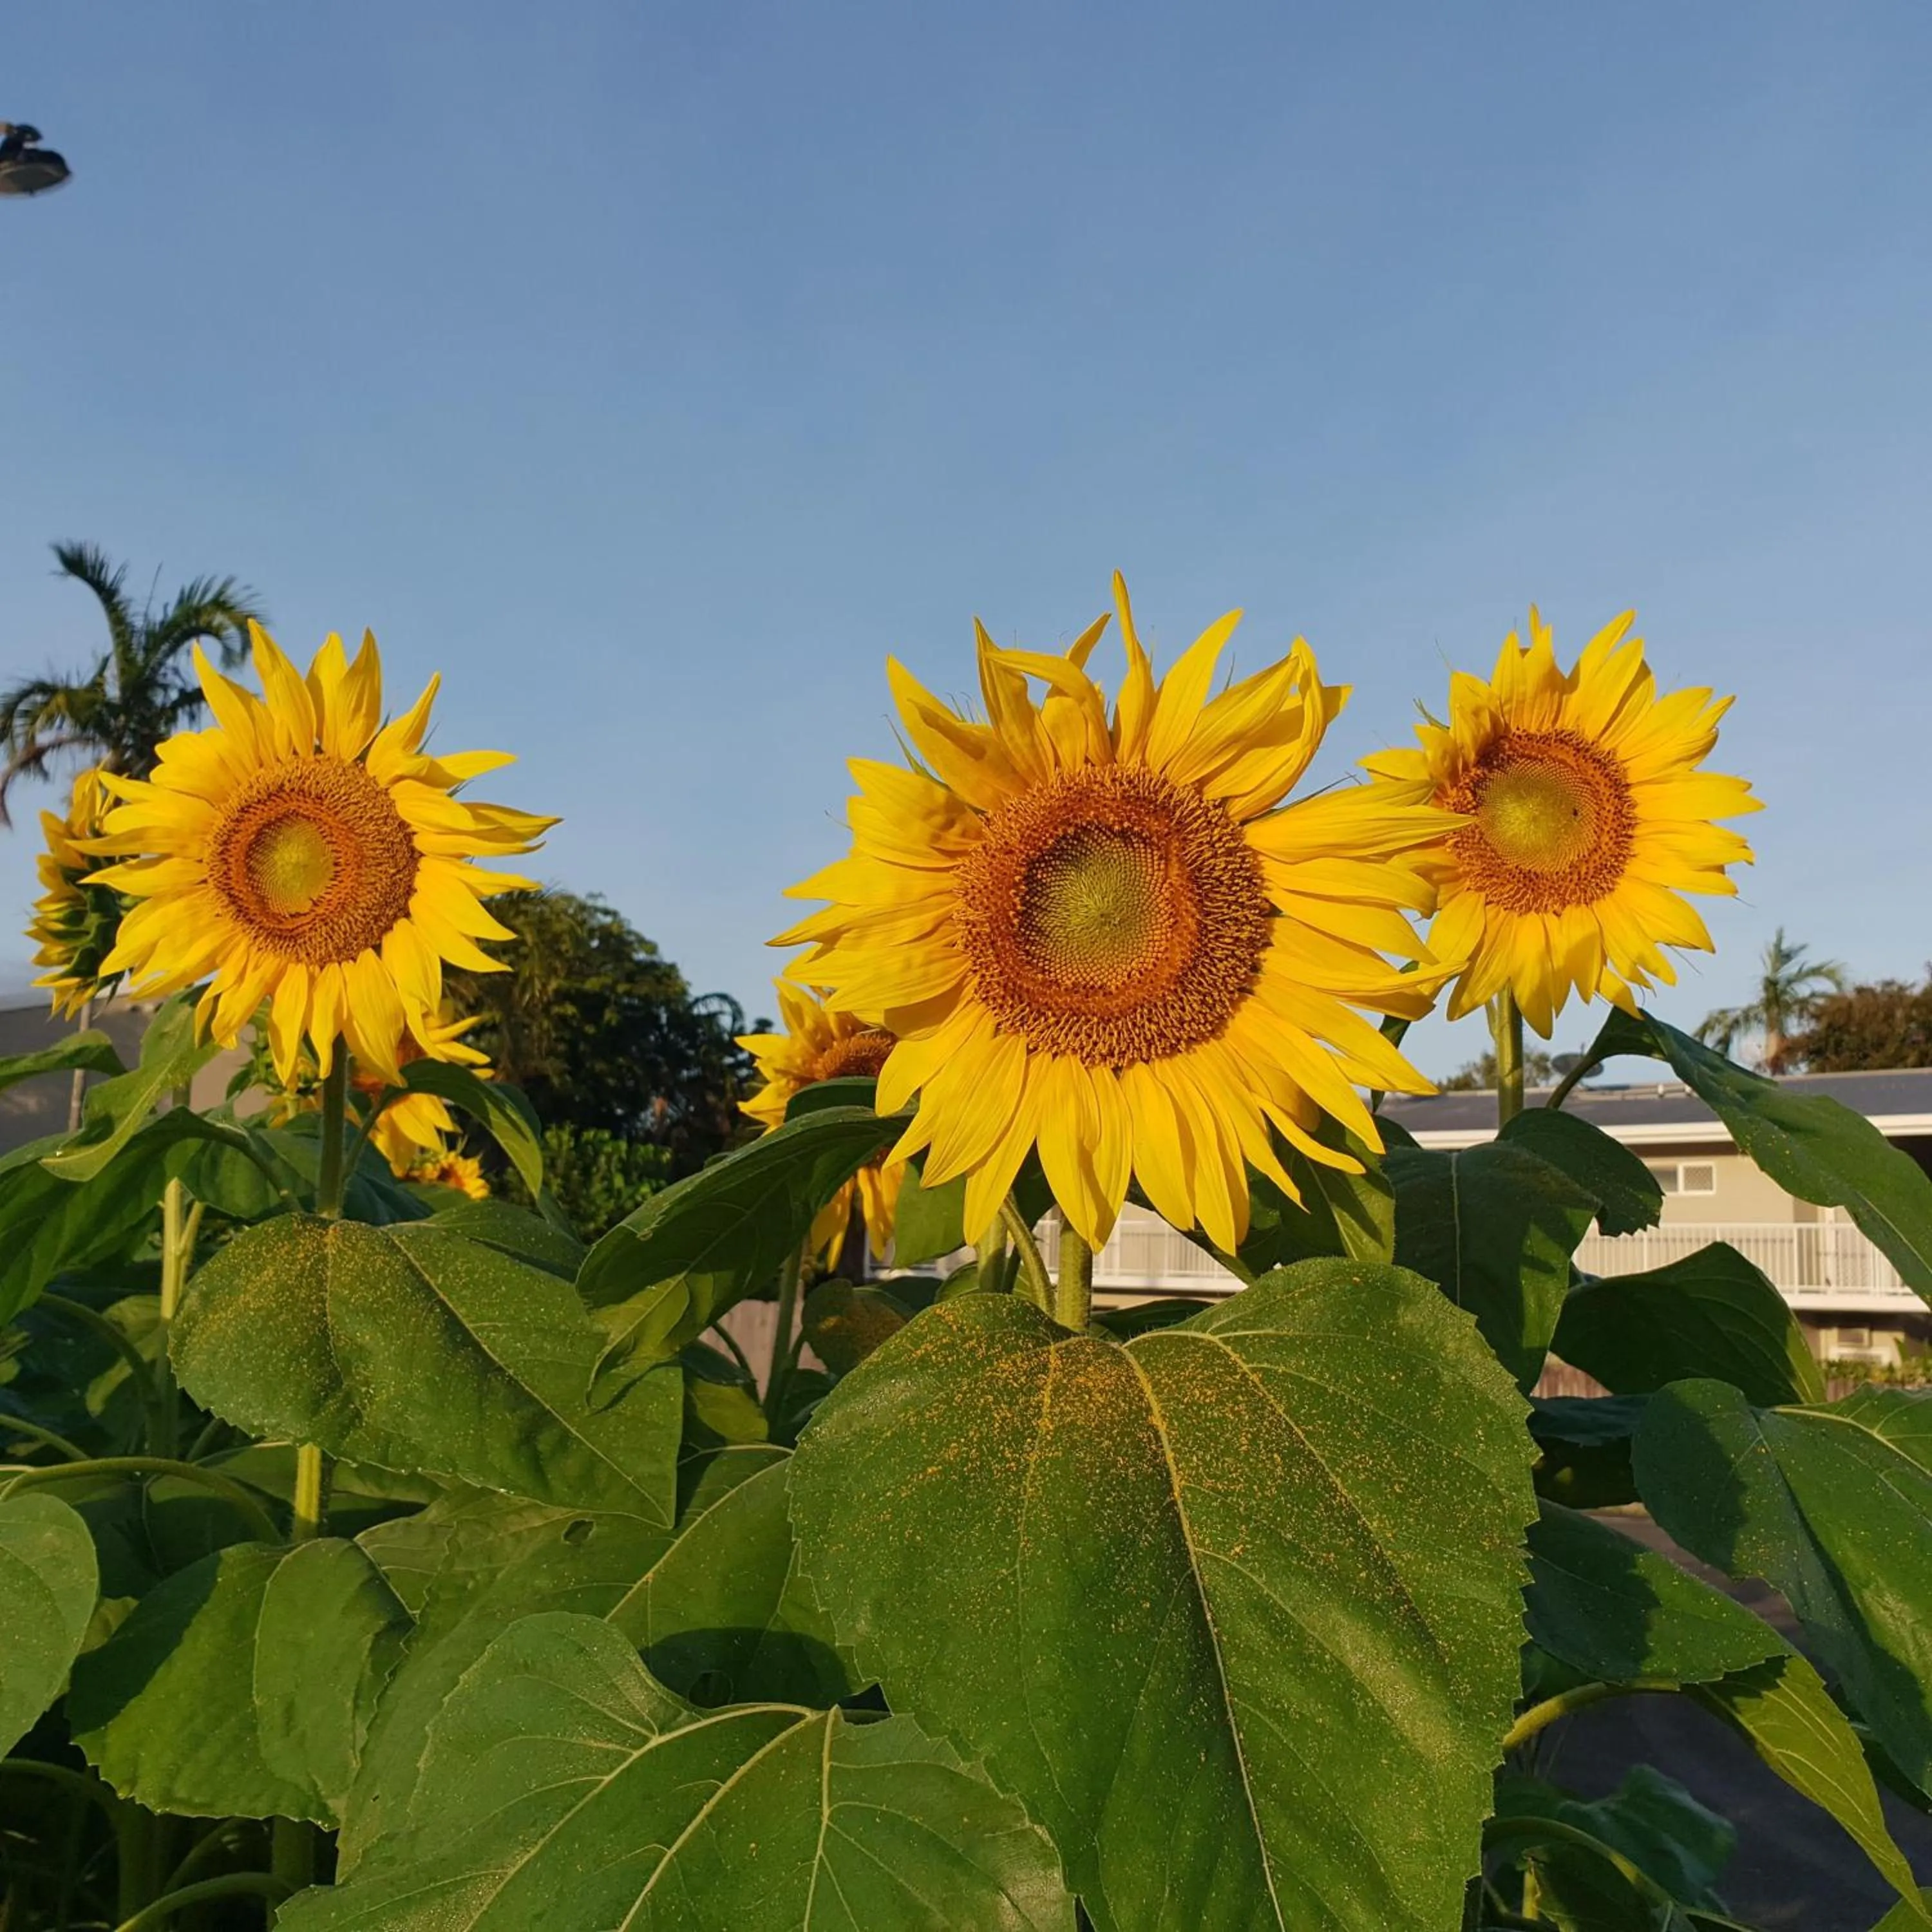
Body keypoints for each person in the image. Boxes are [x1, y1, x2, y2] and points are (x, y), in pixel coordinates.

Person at [0, 122, 70, 194]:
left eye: (32, 144)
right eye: (28, 144)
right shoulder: (9, 159)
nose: (31, 148)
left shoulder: (46, 158)